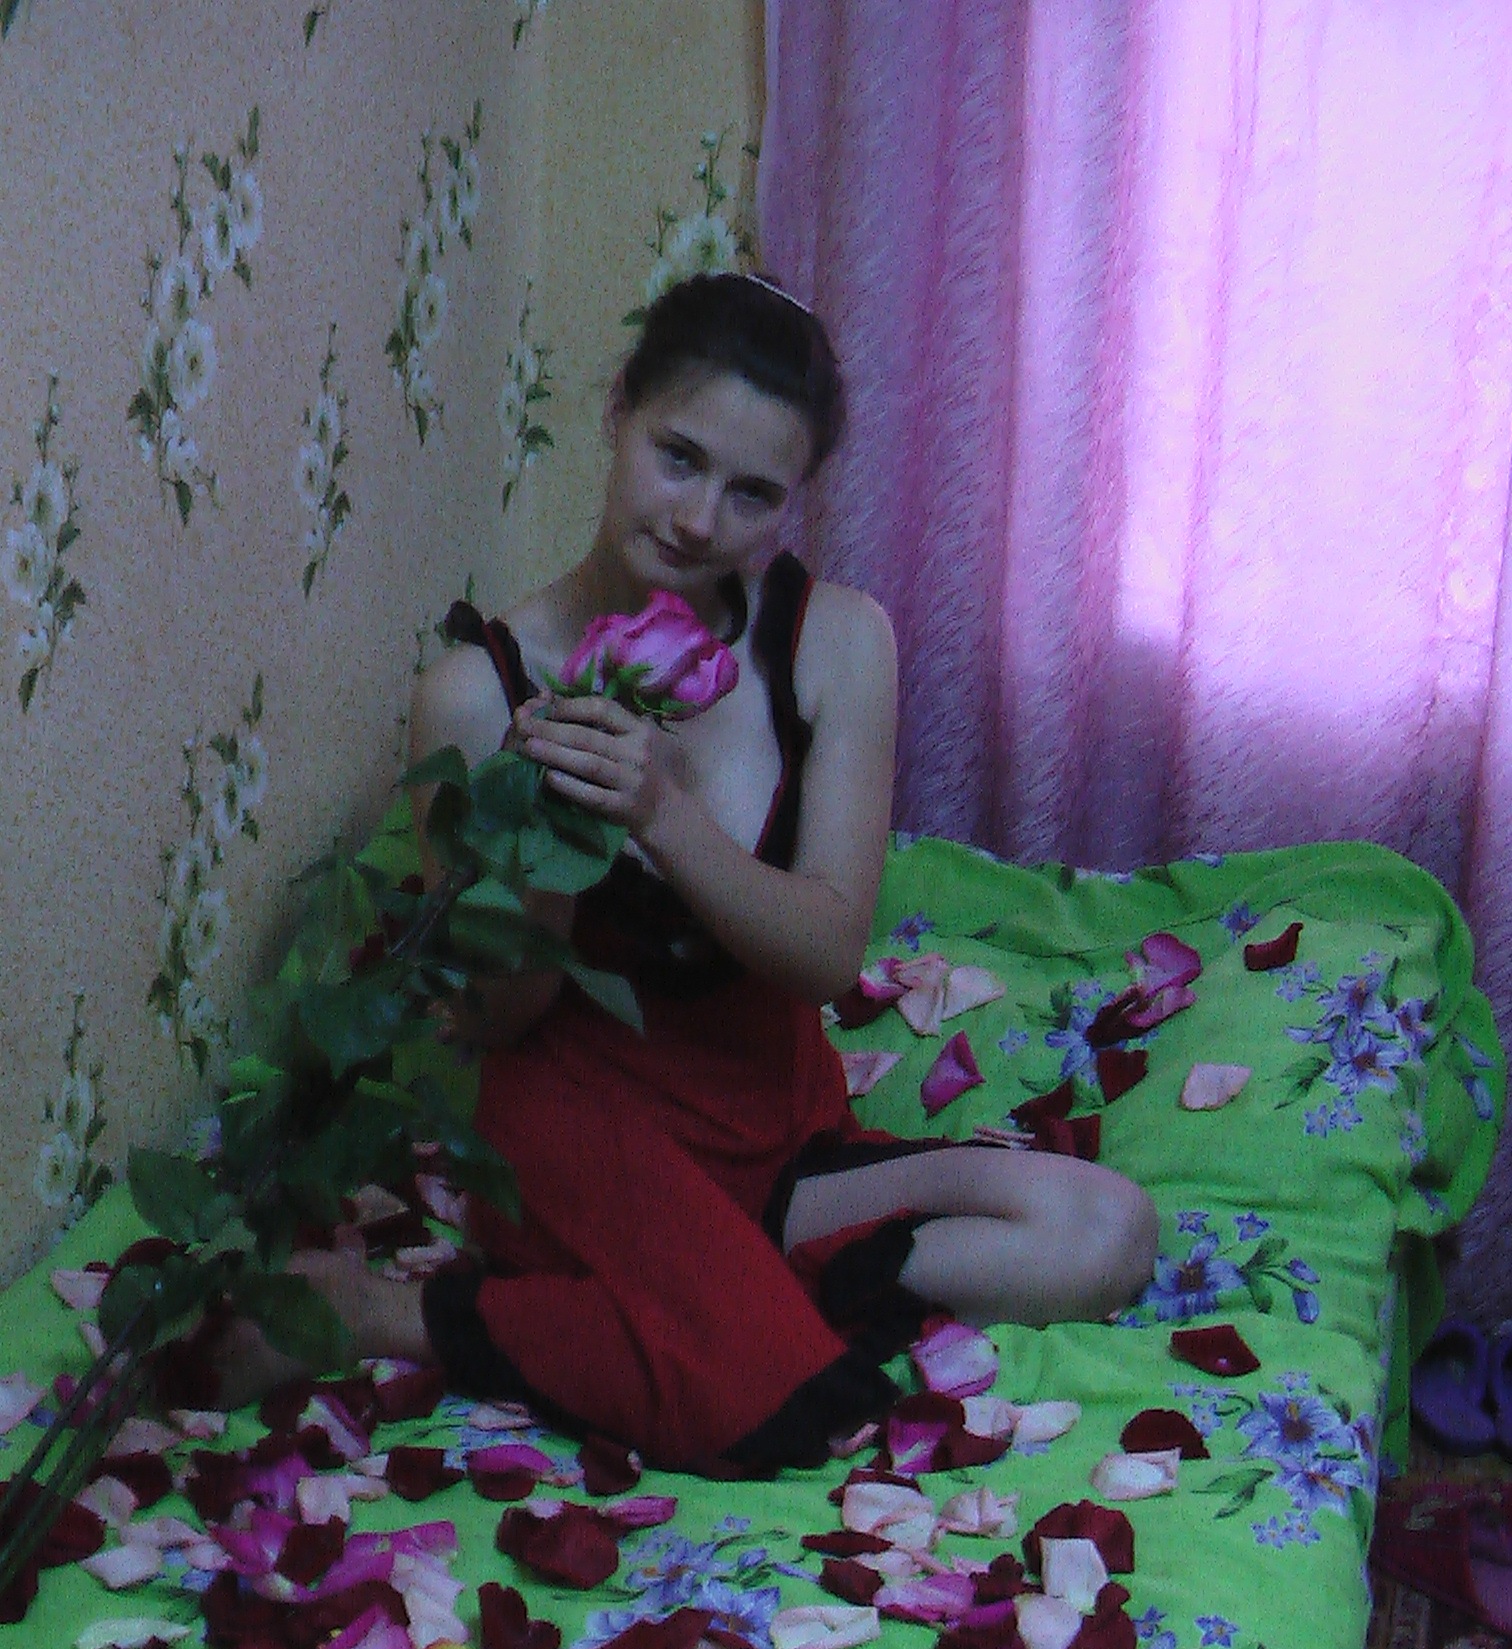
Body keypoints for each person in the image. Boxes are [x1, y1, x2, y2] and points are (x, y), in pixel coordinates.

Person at [222, 272, 1157, 1470]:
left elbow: (826, 956)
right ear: (619, 411)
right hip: (578, 1120)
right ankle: (386, 1313)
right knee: (774, 1401)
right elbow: (496, 1019)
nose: (700, 519)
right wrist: (557, 841)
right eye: (678, 457)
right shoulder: (474, 692)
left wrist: (664, 813)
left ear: (794, 500)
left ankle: (714, 1291)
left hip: (775, 1135)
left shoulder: (836, 641)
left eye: (752, 492)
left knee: (1105, 1229)